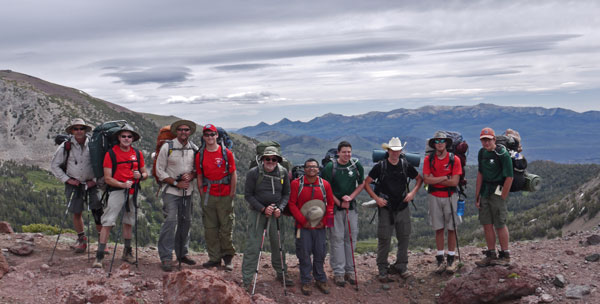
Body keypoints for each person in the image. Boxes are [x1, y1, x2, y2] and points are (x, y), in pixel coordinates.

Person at [364, 137, 423, 282]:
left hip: (402, 206)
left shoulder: (405, 165)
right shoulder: (381, 166)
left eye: (398, 150)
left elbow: (419, 179)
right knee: (384, 238)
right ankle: (382, 268)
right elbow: (366, 183)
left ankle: (401, 265)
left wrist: (412, 193)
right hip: (386, 207)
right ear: (388, 151)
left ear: (401, 151)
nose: (395, 153)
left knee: (404, 236)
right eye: (393, 150)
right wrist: (377, 199)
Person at [93, 124, 148, 268]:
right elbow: (107, 178)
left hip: (133, 191)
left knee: (128, 221)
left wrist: (141, 175)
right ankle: (99, 256)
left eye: (129, 136)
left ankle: (127, 252)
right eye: (123, 136)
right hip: (117, 191)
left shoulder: (137, 154)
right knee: (108, 222)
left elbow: (145, 173)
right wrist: (122, 184)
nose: (126, 139)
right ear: (118, 138)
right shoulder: (111, 154)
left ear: (133, 139)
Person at [241, 146, 293, 290]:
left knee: (278, 245)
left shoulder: (283, 173)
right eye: (267, 158)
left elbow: (286, 194)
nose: (270, 161)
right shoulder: (254, 173)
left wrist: (280, 208)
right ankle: (246, 280)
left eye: (273, 159)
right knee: (253, 245)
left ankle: (282, 273)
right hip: (257, 214)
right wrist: (263, 209)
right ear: (262, 159)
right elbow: (248, 195)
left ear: (278, 160)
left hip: (276, 214)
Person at [50, 118, 102, 254]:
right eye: (76, 129)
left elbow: (103, 164)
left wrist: (95, 180)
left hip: (92, 183)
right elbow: (54, 165)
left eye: (81, 128)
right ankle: (82, 240)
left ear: (85, 130)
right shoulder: (65, 146)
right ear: (72, 131)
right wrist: (67, 180)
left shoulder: (94, 144)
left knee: (97, 211)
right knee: (76, 211)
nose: (79, 131)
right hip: (74, 183)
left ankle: (102, 242)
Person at [155, 120, 198, 272]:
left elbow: (197, 169)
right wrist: (175, 183)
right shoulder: (168, 146)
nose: (183, 132)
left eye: (186, 130)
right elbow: (160, 171)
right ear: (176, 131)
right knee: (171, 221)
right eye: (180, 130)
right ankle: (166, 257)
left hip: (188, 191)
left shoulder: (194, 148)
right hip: (171, 191)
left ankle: (182, 253)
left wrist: (191, 175)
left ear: (190, 132)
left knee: (185, 222)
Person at [288, 159, 335, 296]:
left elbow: (331, 205)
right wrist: (303, 221)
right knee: (304, 253)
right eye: (308, 167)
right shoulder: (296, 184)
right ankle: (306, 280)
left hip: (320, 226)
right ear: (304, 169)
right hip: (302, 227)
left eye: (314, 167)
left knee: (320, 252)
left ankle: (320, 278)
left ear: (318, 169)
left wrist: (326, 223)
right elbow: (292, 204)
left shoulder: (325, 185)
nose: (311, 169)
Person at [321, 141, 364, 287]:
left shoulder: (356, 166)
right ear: (338, 152)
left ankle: (350, 271)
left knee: (350, 239)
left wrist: (350, 198)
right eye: (344, 152)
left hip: (351, 207)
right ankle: (339, 272)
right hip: (334, 209)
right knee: (336, 239)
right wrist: (339, 202)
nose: (347, 154)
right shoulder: (330, 167)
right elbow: (326, 188)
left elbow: (362, 184)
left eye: (349, 152)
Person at [196, 124, 237, 271]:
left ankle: (227, 258)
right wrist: (201, 192)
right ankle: (214, 258)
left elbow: (233, 174)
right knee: (210, 229)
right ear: (204, 137)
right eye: (207, 135)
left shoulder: (226, 153)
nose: (210, 137)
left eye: (212, 134)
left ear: (217, 136)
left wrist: (232, 193)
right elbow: (199, 175)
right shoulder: (200, 155)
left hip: (225, 194)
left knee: (226, 228)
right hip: (208, 196)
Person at [422, 131, 462, 274]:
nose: (439, 143)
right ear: (434, 144)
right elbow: (426, 180)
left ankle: (450, 259)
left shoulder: (454, 159)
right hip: (435, 196)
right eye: (437, 141)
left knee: (451, 228)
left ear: (446, 143)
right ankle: (440, 258)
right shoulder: (429, 159)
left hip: (451, 196)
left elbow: (455, 181)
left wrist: (436, 178)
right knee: (438, 228)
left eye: (442, 141)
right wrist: (445, 177)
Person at [475, 127, 513, 267]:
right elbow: (480, 174)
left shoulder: (502, 154)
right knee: (486, 224)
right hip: (485, 191)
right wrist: (477, 195)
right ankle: (491, 254)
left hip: (497, 191)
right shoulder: (482, 153)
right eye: (483, 140)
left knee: (500, 224)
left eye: (488, 140)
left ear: (494, 140)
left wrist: (503, 196)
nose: (486, 143)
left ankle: (505, 254)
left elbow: (509, 177)